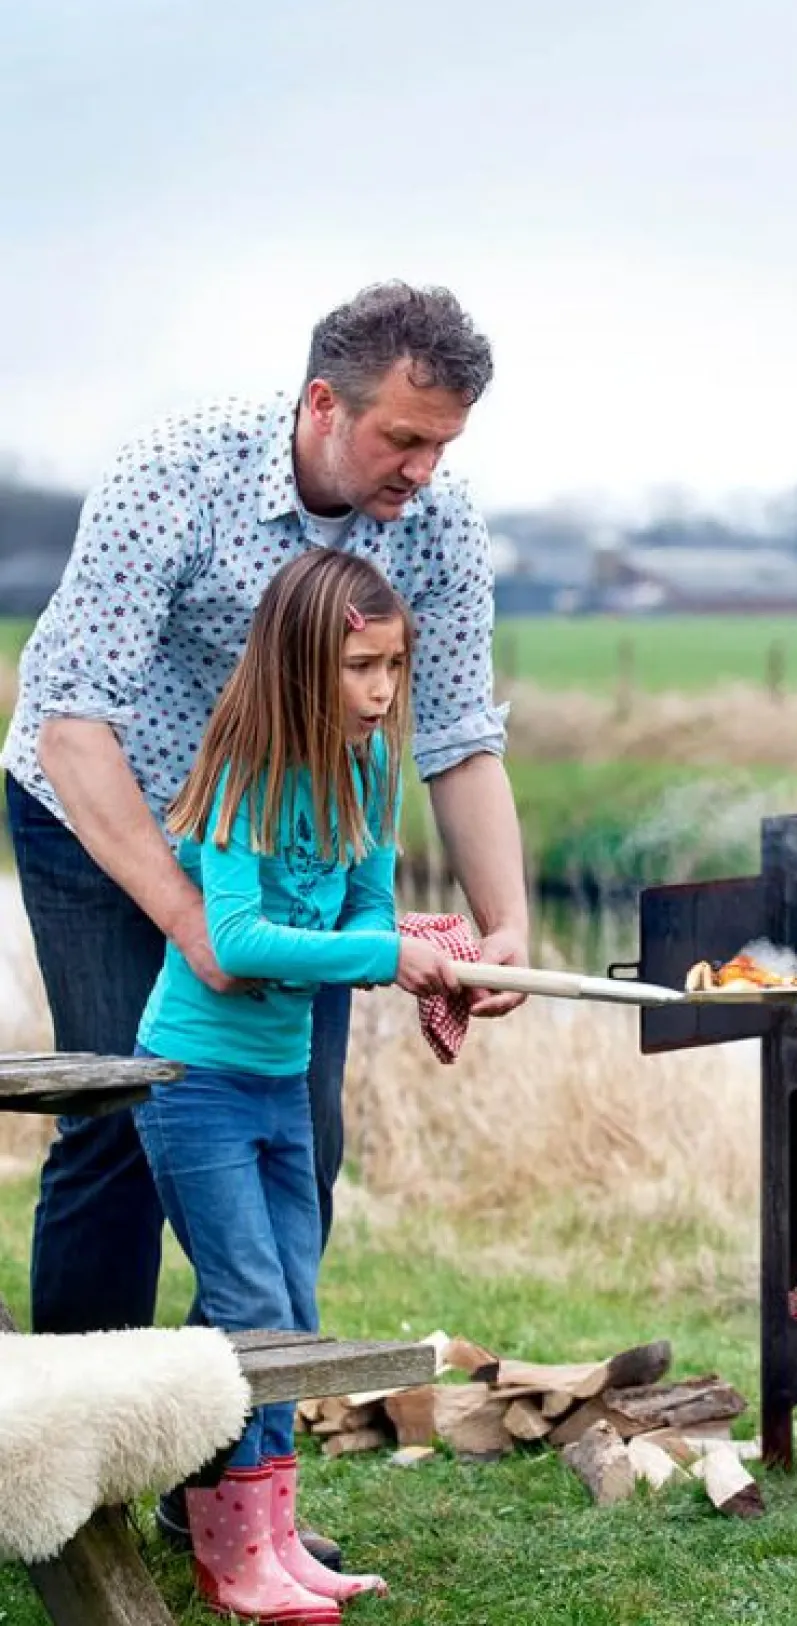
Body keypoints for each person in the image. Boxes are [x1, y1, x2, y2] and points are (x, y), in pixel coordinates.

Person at [0, 280, 530, 1562]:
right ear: (321, 403)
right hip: (103, 818)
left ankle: (227, 1487)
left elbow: (456, 737)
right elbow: (75, 723)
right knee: (126, 1118)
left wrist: (500, 924)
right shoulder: (171, 480)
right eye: (403, 439)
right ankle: (73, 1493)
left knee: (298, 1136)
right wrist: (191, 921)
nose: (423, 469)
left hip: (293, 857)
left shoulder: (440, 523)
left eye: (444, 443)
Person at [133, 548, 449, 1621]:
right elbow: (235, 938)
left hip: (279, 1080)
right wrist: (383, 957)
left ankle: (272, 1538)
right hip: (196, 1081)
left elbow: (367, 903)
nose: (381, 691)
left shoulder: (366, 770)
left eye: (393, 667)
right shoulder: (242, 776)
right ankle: (227, 1555)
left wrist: (385, 941)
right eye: (361, 667)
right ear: (299, 667)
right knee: (252, 1309)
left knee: (295, 1311)